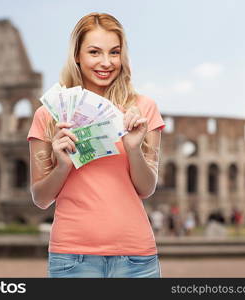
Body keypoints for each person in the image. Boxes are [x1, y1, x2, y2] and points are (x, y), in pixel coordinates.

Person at [28, 13, 165, 278]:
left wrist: (134, 149)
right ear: (77, 55)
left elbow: (146, 188)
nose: (106, 62)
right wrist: (62, 166)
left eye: (114, 52)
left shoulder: (143, 109)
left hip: (136, 258)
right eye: (94, 52)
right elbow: (41, 198)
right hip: (72, 258)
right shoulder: (48, 115)